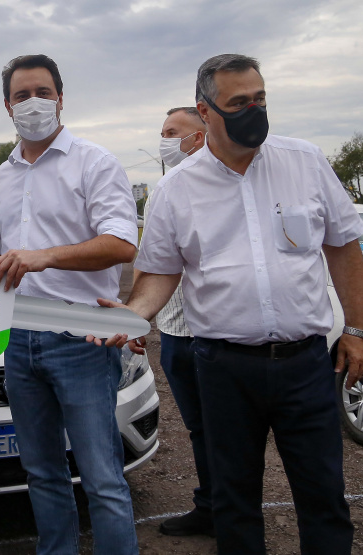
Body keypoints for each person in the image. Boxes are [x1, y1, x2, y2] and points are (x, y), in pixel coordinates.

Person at [95, 54, 363, 555]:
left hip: (305, 362)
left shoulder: (304, 161)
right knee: (235, 502)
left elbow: (344, 246)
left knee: (324, 495)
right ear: (207, 111)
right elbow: (159, 273)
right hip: (223, 368)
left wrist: (358, 330)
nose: (254, 110)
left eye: (260, 99)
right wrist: (135, 313)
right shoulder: (176, 189)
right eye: (239, 102)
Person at [0, 54, 139, 554]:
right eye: (22, 95)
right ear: (7, 106)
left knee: (101, 476)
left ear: (60, 98)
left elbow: (121, 242)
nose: (34, 103)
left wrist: (45, 257)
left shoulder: (94, 161)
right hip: (19, 340)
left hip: (81, 338)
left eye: (43, 92)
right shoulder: (4, 174)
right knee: (42, 472)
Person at [144, 106, 214, 537]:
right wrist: (141, 322)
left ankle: (236, 512)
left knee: (227, 429)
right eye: (163, 132)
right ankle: (209, 506)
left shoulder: (218, 188)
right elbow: (153, 265)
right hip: (174, 333)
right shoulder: (162, 191)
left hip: (213, 333)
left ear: (200, 137)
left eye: (173, 132)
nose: (165, 140)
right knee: (197, 428)